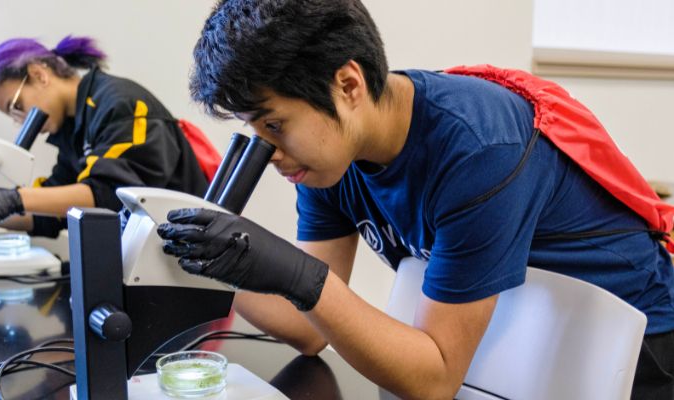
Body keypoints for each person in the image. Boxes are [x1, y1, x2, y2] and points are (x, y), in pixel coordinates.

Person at [156, 1, 674, 399]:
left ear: (348, 84)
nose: (268, 153)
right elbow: (305, 329)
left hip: (637, 349)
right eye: (254, 130)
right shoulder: (330, 160)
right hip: (520, 338)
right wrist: (218, 266)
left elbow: (434, 379)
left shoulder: (478, 148)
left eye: (274, 125)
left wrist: (297, 276)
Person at [0, 36, 219, 237]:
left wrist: (12, 199)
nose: (19, 120)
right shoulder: (73, 129)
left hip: (183, 264)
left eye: (17, 106)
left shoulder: (119, 103)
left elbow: (111, 196)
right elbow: (54, 212)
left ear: (39, 74)